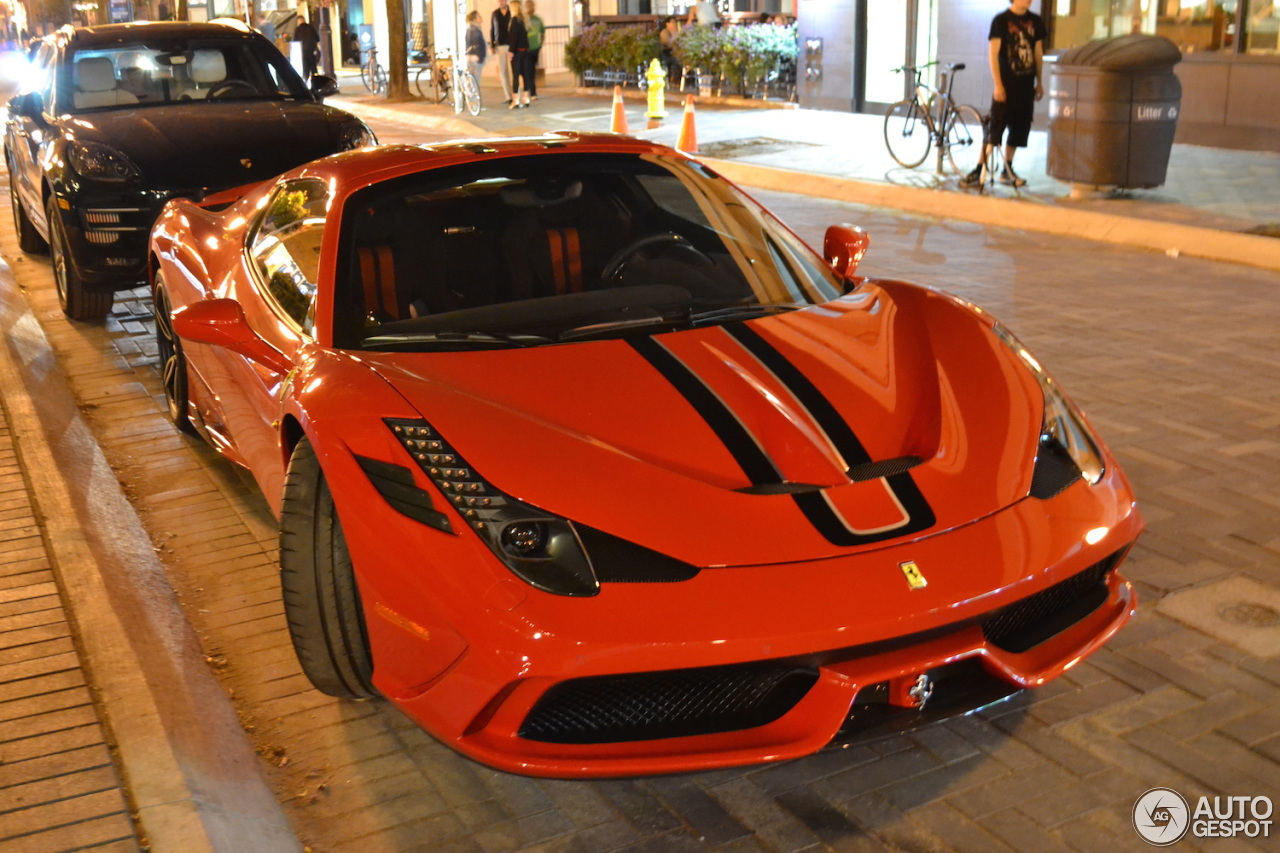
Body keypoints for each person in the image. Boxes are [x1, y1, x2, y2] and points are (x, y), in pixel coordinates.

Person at [963, 0, 1045, 188]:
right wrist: (998, 84)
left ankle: (1007, 169)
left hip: (1026, 86)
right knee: (995, 128)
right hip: (1006, 86)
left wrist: (1039, 82)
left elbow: (1038, 53)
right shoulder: (1001, 20)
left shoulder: (1036, 20)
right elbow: (993, 54)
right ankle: (978, 169)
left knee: (1019, 128)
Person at [507, 0, 531, 108]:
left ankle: (515, 100)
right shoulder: (524, 20)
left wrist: (511, 51)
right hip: (525, 51)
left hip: (516, 52)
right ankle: (526, 98)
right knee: (525, 75)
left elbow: (513, 38)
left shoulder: (514, 20)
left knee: (515, 76)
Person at [490, 0, 513, 104]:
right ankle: (508, 96)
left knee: (513, 71)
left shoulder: (512, 12)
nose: (500, 2)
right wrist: (492, 45)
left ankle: (515, 93)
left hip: (511, 44)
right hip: (500, 45)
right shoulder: (495, 14)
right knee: (503, 71)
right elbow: (492, 29)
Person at [525, 0, 544, 99]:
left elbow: (542, 32)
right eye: (528, 6)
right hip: (526, 48)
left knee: (532, 69)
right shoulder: (524, 19)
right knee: (529, 70)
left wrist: (540, 44)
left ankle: (530, 89)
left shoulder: (538, 19)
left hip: (535, 48)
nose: (530, 8)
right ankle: (532, 91)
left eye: (531, 6)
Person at [465, 10, 487, 85]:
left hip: (472, 58)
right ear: (475, 19)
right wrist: (479, 56)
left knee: (473, 81)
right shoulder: (475, 30)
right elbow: (476, 44)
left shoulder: (471, 29)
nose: (481, 17)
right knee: (475, 82)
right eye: (479, 16)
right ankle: (473, 97)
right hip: (475, 58)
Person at [659, 16, 680, 81]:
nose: (675, 24)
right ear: (667, 24)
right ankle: (673, 78)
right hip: (667, 53)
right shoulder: (664, 32)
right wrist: (674, 35)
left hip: (677, 52)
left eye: (675, 22)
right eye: (673, 22)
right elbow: (667, 42)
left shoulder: (678, 31)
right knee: (676, 59)